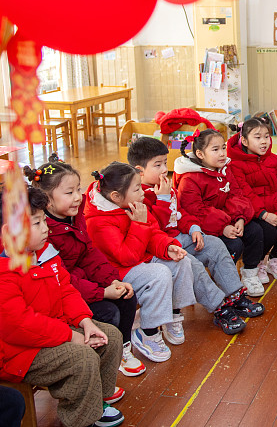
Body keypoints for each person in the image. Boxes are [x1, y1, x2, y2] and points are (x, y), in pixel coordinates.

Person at [0, 187, 124, 427]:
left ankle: (97, 401)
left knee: (110, 336)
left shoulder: (45, 254)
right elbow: (19, 324)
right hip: (18, 354)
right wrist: (70, 336)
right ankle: (80, 420)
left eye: (44, 220)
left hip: (54, 331)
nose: (46, 228)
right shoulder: (5, 271)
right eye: (36, 223)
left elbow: (66, 290)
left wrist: (84, 322)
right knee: (82, 357)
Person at [25, 154, 144, 378]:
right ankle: (101, 364)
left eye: (78, 189)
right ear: (48, 200)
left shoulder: (75, 215)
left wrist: (112, 280)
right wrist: (101, 292)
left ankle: (123, 350)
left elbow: (89, 253)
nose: (78, 197)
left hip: (82, 283)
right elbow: (62, 277)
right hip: (65, 294)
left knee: (127, 296)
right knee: (108, 312)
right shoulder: (43, 232)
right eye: (69, 193)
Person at [128, 137, 264, 331]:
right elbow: (154, 228)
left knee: (216, 245)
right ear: (139, 171)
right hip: (159, 248)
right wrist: (163, 199)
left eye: (165, 163)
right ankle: (219, 307)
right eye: (157, 165)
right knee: (193, 265)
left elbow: (181, 213)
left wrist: (193, 228)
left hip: (179, 238)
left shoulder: (165, 187)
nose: (163, 169)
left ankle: (235, 295)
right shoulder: (137, 195)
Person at [85, 162, 196, 363]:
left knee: (182, 263)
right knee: (159, 274)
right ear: (116, 197)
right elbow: (126, 257)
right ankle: (148, 331)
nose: (142, 192)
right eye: (137, 189)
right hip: (117, 272)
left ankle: (172, 315)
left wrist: (167, 246)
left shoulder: (132, 204)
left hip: (139, 259)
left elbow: (153, 232)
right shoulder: (98, 221)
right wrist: (138, 223)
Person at [173, 129, 265, 297]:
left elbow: (236, 194)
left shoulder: (224, 169)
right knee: (234, 245)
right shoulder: (189, 179)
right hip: (204, 228)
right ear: (200, 153)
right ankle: (223, 282)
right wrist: (223, 227)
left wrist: (240, 218)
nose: (222, 153)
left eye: (223, 148)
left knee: (256, 231)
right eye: (215, 150)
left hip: (227, 220)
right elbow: (196, 211)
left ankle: (249, 273)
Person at [227, 117, 277, 284]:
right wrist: (264, 214)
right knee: (269, 232)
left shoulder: (274, 160)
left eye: (267, 136)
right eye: (257, 137)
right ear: (244, 140)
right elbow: (245, 194)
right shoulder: (236, 165)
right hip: (255, 212)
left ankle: (275, 259)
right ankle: (257, 262)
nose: (264, 141)